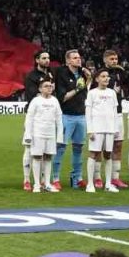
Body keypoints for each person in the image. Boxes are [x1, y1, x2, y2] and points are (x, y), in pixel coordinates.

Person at [53, 50, 91, 190]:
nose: (78, 60)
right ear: (68, 61)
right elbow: (63, 97)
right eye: (75, 58)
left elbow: (85, 92)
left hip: (81, 115)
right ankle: (55, 178)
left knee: (78, 148)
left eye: (79, 57)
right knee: (61, 148)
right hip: (66, 115)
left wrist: (88, 80)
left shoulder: (82, 73)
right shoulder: (62, 74)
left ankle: (77, 177)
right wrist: (77, 88)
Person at [23, 51, 55, 191]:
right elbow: (32, 95)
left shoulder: (51, 75)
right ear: (37, 60)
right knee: (29, 149)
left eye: (48, 58)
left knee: (45, 152)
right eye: (44, 58)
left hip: (47, 118)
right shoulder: (31, 76)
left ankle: (43, 180)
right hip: (34, 117)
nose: (47, 60)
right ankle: (26, 179)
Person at [24, 79, 63, 194]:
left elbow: (59, 119)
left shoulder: (55, 101)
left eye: (50, 86)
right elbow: (29, 118)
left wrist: (59, 136)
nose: (49, 88)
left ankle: (46, 183)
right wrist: (28, 134)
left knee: (48, 157)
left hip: (50, 134)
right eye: (46, 86)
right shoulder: (36, 101)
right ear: (40, 89)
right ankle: (36, 184)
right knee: (37, 157)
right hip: (38, 133)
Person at [84, 69, 119, 193]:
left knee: (108, 155)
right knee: (93, 154)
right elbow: (88, 112)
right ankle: (90, 184)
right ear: (97, 79)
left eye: (107, 76)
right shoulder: (92, 93)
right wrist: (90, 130)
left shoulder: (112, 93)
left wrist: (116, 128)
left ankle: (108, 183)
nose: (106, 79)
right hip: (97, 128)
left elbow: (115, 112)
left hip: (109, 129)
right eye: (103, 76)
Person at [101, 50, 129, 190]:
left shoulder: (119, 73)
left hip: (118, 114)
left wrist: (123, 71)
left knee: (118, 145)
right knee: (101, 148)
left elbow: (127, 84)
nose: (114, 61)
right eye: (111, 59)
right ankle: (97, 178)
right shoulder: (101, 74)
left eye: (116, 58)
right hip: (104, 116)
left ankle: (115, 178)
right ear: (105, 60)